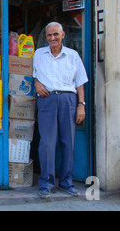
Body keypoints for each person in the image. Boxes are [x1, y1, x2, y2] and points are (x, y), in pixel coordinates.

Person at [32, 22, 88, 199]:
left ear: (63, 34)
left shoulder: (73, 56)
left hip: (68, 100)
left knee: (67, 142)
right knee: (47, 144)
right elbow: (35, 75)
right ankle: (46, 183)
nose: (52, 38)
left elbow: (79, 82)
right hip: (47, 100)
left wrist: (81, 105)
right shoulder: (39, 54)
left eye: (55, 34)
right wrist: (37, 83)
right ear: (46, 37)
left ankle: (66, 182)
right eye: (49, 35)